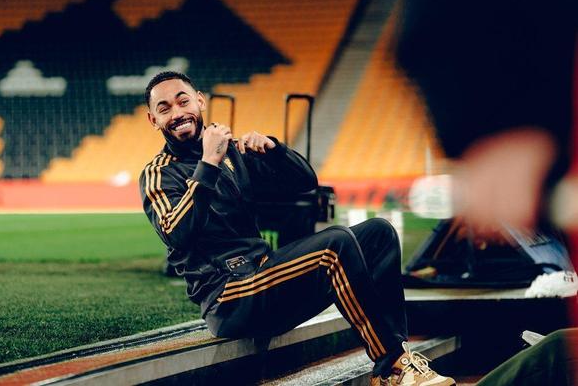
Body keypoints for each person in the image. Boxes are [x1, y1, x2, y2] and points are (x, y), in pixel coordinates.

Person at [139, 71, 455, 385]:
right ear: (153, 120)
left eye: (183, 101)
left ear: (200, 101)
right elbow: (176, 234)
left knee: (379, 233)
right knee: (335, 244)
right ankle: (392, 368)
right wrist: (208, 163)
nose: (177, 113)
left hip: (266, 274)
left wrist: (275, 150)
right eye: (164, 108)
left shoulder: (232, 152)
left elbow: (306, 182)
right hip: (228, 298)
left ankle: (399, 361)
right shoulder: (158, 174)